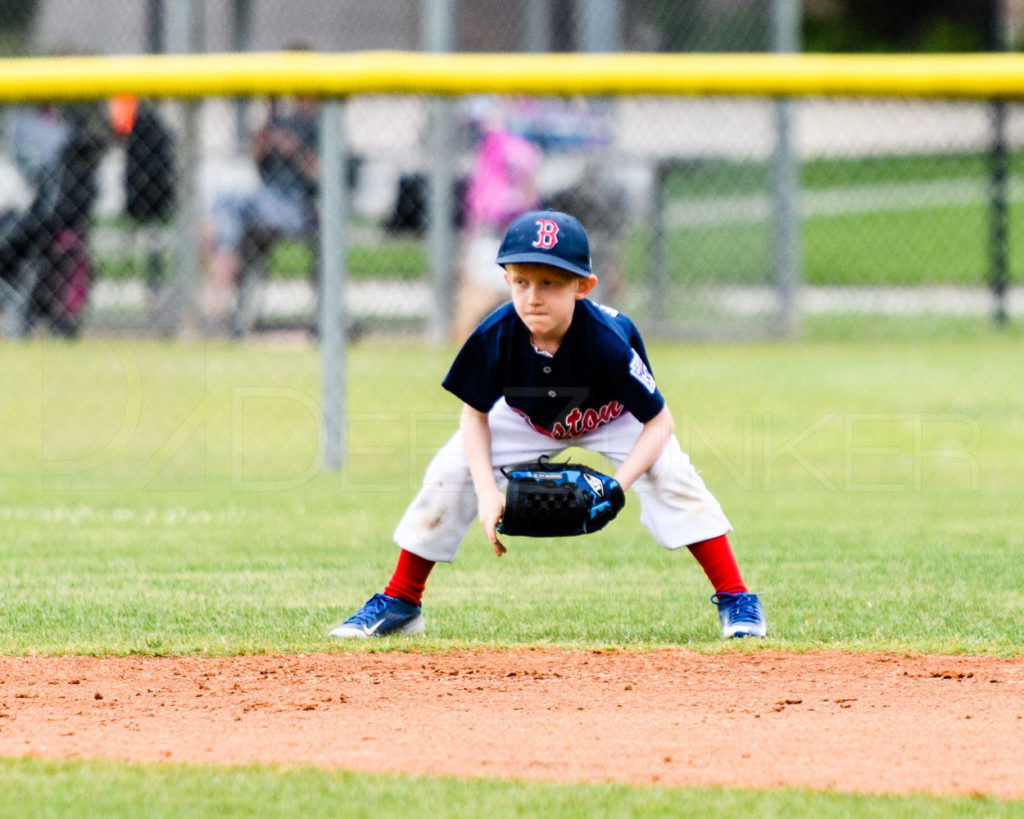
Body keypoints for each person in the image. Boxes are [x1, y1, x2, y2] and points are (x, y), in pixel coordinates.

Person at [329, 209, 766, 641]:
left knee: (672, 474)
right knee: (448, 472)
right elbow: (474, 414)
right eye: (522, 281)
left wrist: (618, 486)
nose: (533, 297)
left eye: (550, 283)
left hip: (611, 416)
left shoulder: (607, 340)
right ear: (507, 281)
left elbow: (659, 421)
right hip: (524, 418)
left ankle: (736, 597)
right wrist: (485, 492)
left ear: (584, 286)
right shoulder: (497, 333)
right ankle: (402, 600)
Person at [203, 94, 320, 330]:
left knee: (228, 202)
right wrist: (265, 141)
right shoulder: (282, 120)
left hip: (299, 207)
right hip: (267, 203)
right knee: (225, 210)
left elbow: (325, 176)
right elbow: (259, 168)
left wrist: (295, 149)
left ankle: (213, 303)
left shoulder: (322, 124)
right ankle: (217, 299)